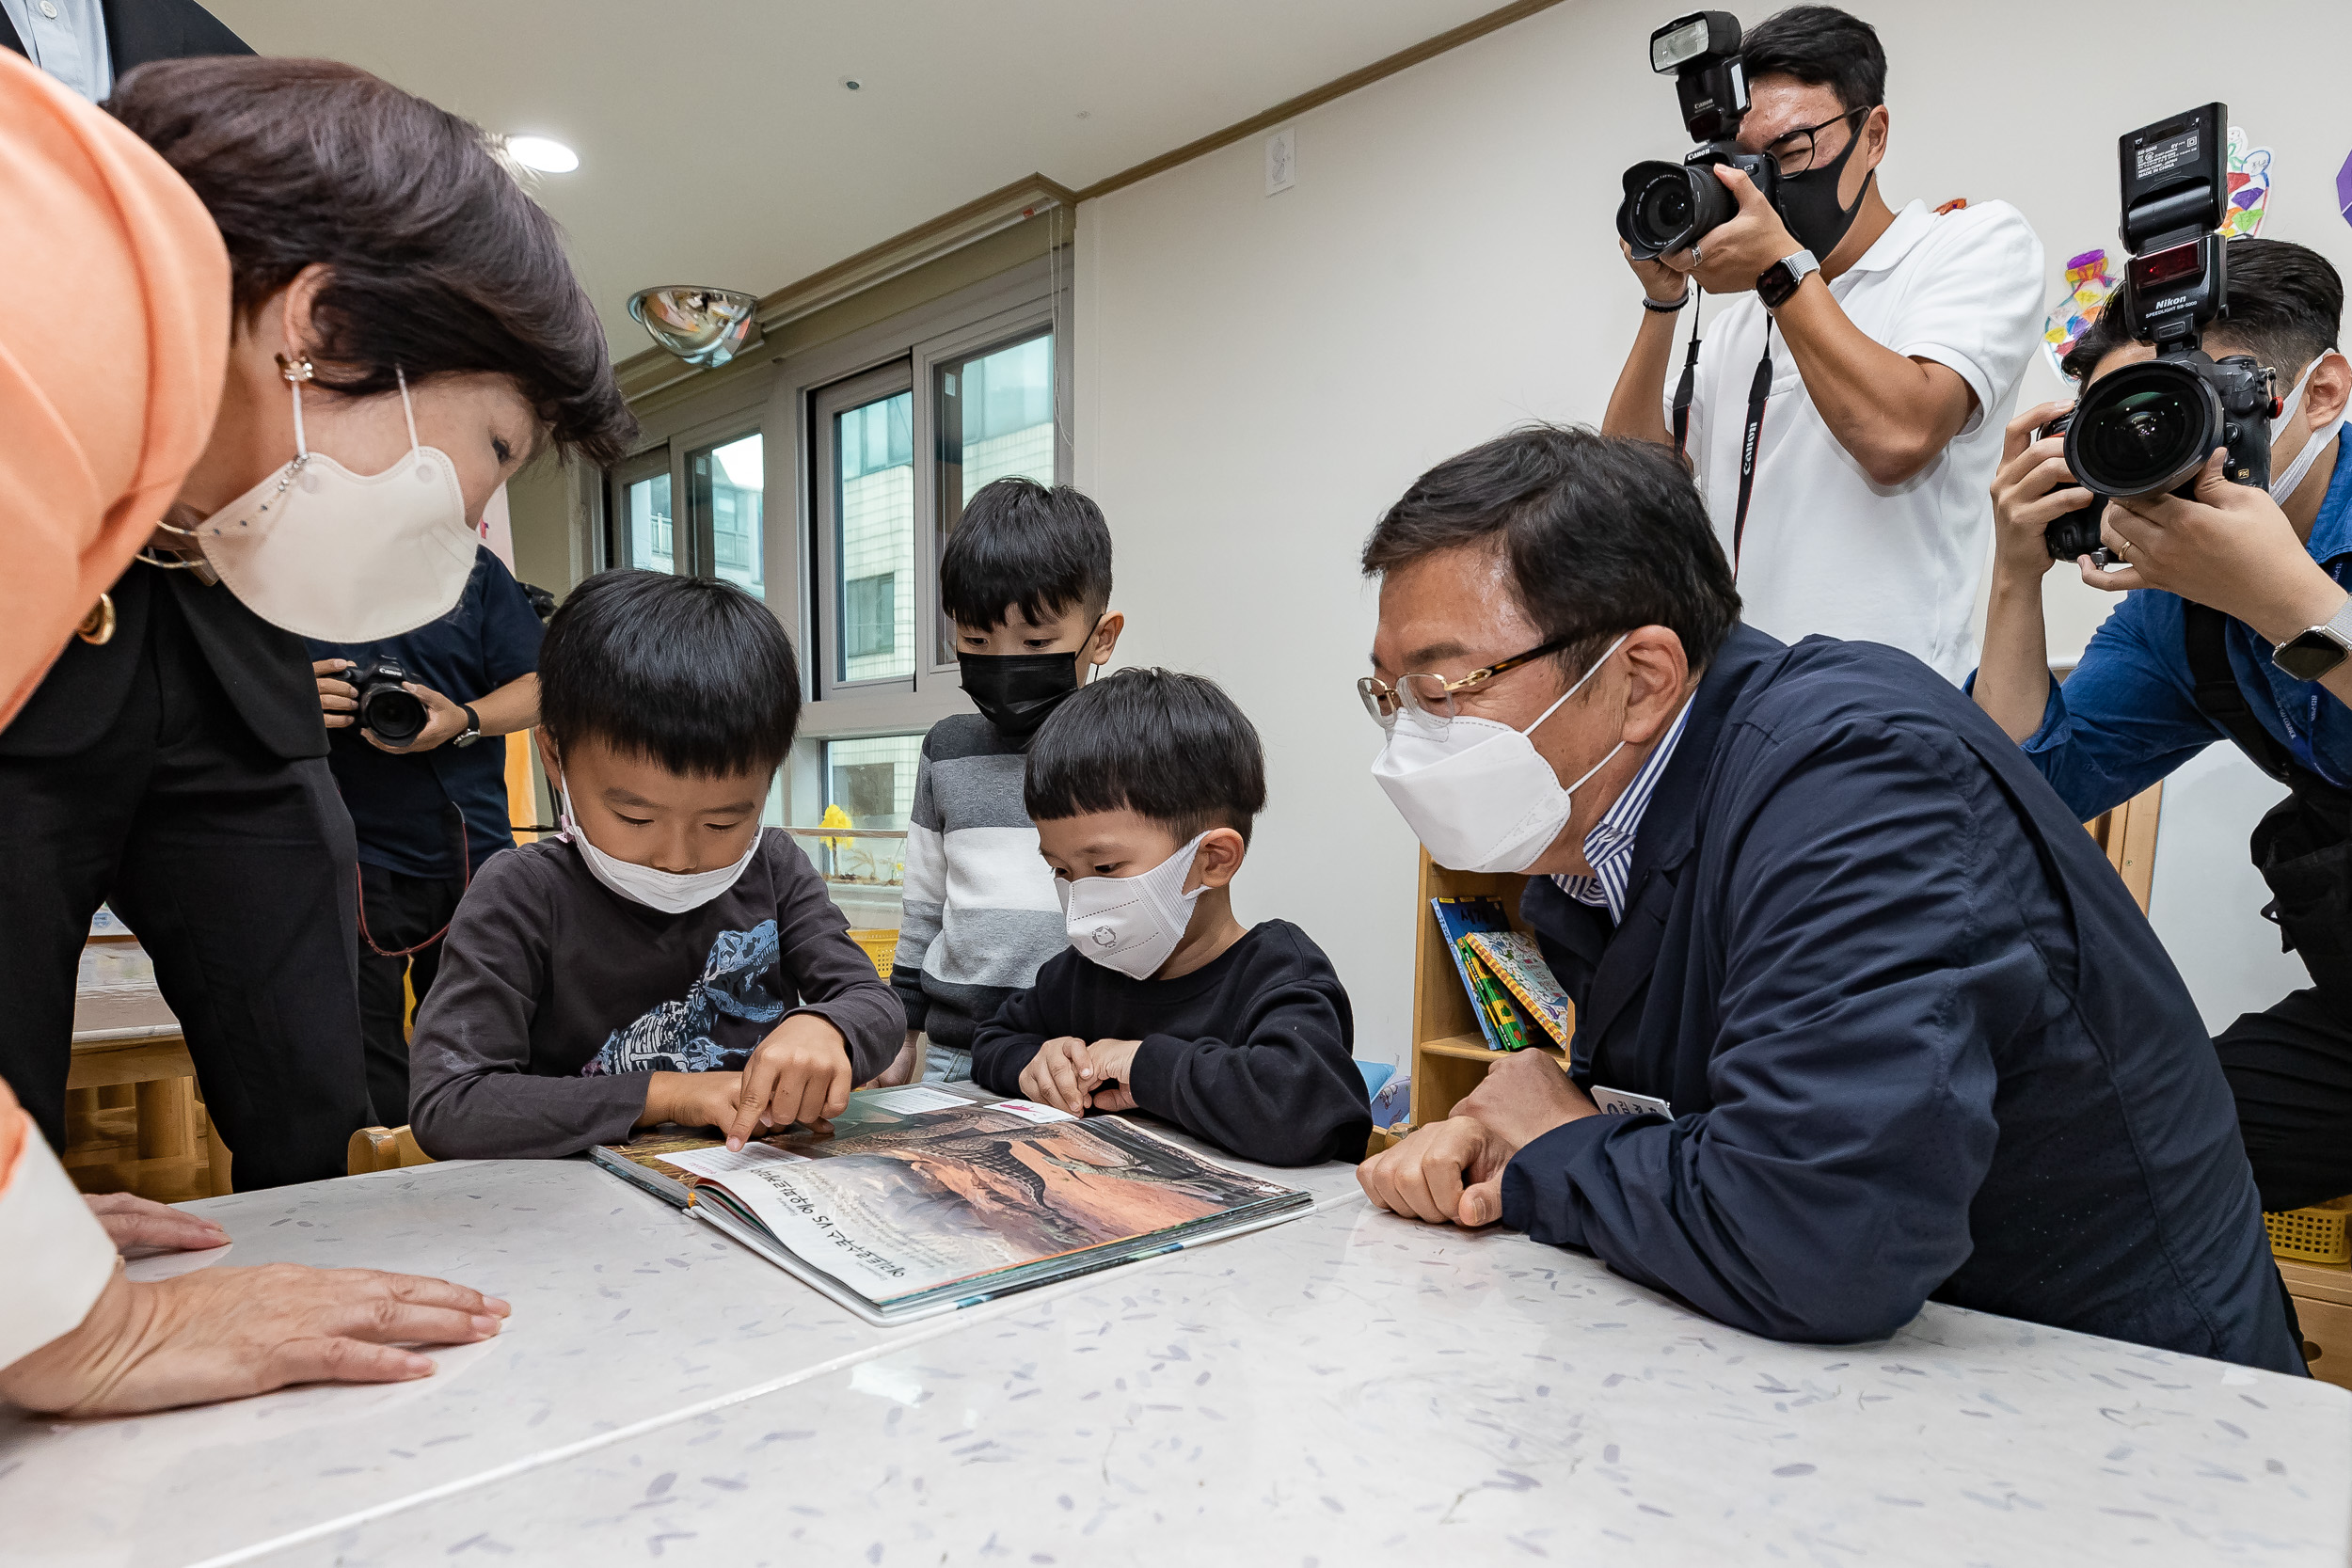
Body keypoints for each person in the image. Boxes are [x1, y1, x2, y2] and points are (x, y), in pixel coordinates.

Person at [1352, 423, 2299, 1372]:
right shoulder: (1590, 839)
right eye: (1390, 695)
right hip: (1892, 1366)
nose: (1407, 744)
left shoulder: (1853, 775)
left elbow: (1823, 1232)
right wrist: (1527, 1131)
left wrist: (1558, 1145)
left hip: (2115, 1390)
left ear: (1640, 679)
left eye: (1441, 689)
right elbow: (1724, 1121)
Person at [0, 52, 620, 1414]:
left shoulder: (86, 308)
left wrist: (17, 1236)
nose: (470, 524)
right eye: (496, 452)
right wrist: (70, 1322)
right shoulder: (37, 320)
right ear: (325, 328)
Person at [1972, 238, 2352, 1213]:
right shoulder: (2178, 611)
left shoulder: (2231, 589)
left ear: (2320, 393)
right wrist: (2015, 574)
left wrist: (2284, 607)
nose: (2160, 445)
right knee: (2115, 1151)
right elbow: (2021, 794)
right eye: (2128, 419)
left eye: (2195, 402)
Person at [1599, 5, 2042, 682]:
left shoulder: (1967, 246)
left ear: (1874, 134)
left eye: (1792, 150)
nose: (1767, 184)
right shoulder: (1742, 324)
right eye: (1748, 163)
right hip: (1744, 707)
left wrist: (1779, 268)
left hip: (1888, 709)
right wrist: (1664, 301)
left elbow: (1898, 437)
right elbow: (1630, 494)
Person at [406, 570, 905, 1160]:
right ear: (554, 758)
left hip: (748, 1193)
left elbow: (874, 1004)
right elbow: (450, 1104)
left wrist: (828, 1029)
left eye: (722, 823)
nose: (677, 858)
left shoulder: (772, 866)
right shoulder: (520, 894)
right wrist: (669, 1095)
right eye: (635, 819)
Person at [970, 670, 1368, 1166]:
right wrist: (1036, 1062)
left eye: (1106, 868)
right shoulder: (1080, 974)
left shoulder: (1280, 971)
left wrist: (1143, 1065)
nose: (1080, 893)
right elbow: (993, 1039)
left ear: (1214, 860)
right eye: (1061, 869)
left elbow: (1299, 1110)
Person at [890, 478, 1127, 1086]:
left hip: (1073, 1057)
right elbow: (923, 909)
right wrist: (902, 1031)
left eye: (1037, 641)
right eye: (976, 640)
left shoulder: (1125, 756)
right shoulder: (946, 751)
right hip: (955, 1053)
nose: (1005, 660)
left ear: (1100, 636)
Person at [309, 542, 548, 1125]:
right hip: (344, 849)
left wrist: (464, 719)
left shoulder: (469, 565)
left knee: (486, 1031)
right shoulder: (295, 558)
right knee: (361, 1045)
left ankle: (482, 1164)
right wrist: (287, 698)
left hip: (471, 840)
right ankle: (384, 1177)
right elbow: (225, 681)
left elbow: (544, 684)